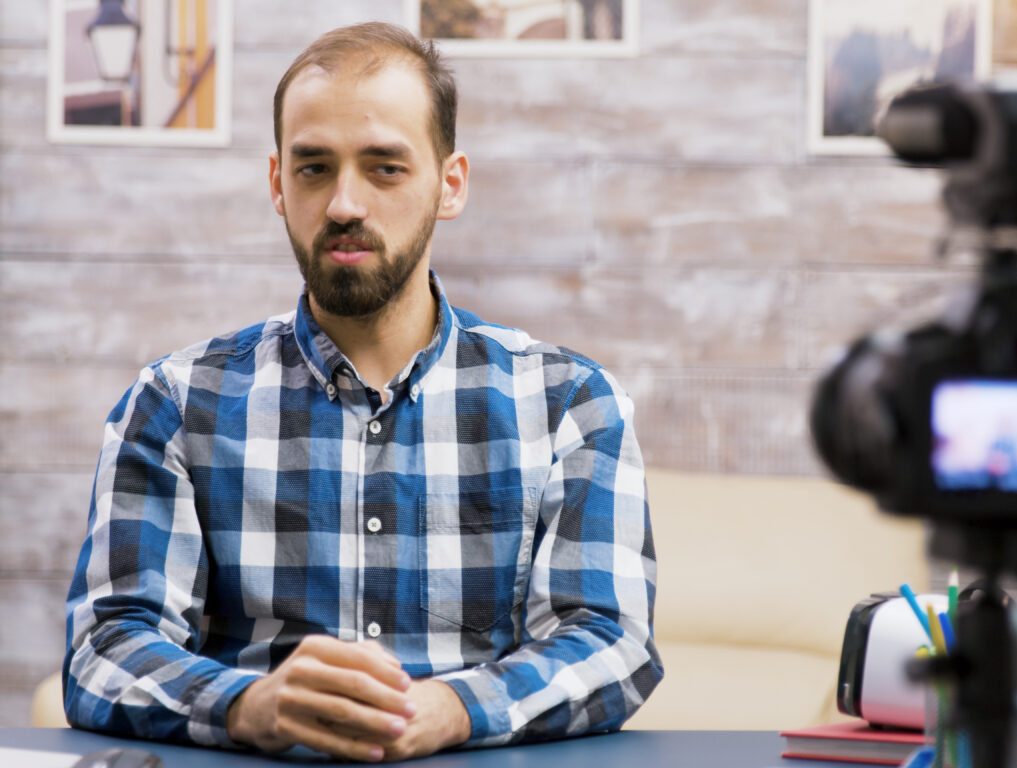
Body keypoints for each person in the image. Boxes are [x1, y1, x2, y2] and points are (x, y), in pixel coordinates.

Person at [64, 22, 661, 762]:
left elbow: (611, 640)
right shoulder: (175, 405)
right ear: (279, 184)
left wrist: (448, 709)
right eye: (315, 168)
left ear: (450, 184)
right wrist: (249, 705)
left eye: (384, 168)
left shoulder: (570, 402)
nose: (345, 202)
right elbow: (107, 644)